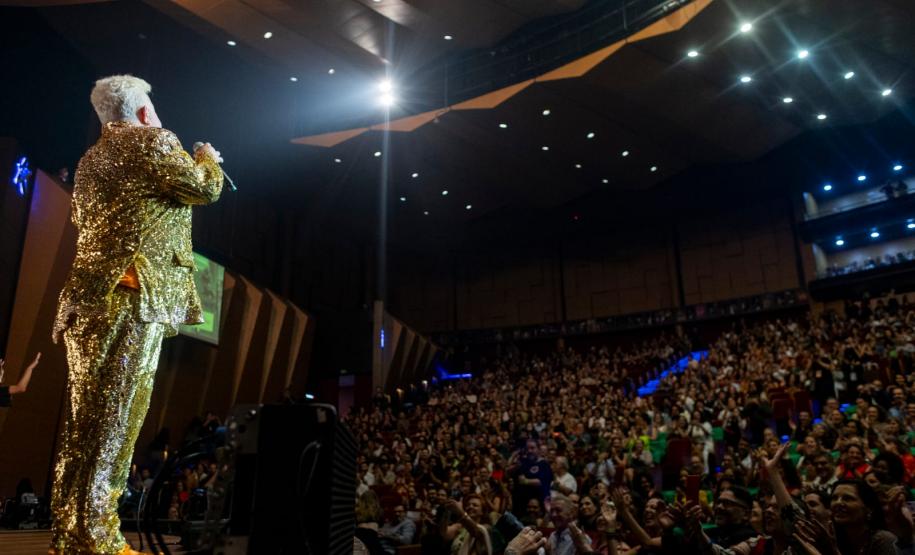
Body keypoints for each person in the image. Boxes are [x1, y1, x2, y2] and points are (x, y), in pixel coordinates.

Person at [49, 74, 223, 555]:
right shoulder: (154, 141)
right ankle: (102, 538)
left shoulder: (89, 160)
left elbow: (83, 221)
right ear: (143, 112)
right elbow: (203, 188)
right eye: (153, 106)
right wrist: (207, 157)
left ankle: (70, 535)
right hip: (132, 296)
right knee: (118, 419)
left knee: (83, 423)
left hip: (85, 300)